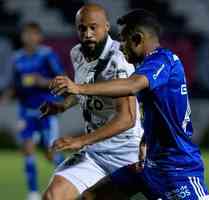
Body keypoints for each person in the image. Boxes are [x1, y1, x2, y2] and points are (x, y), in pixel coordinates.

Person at [51, 9, 209, 200]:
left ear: (137, 39)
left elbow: (132, 85)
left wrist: (78, 88)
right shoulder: (149, 66)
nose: (121, 47)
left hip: (177, 168)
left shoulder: (162, 60)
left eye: (124, 39)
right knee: (92, 196)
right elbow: (159, 112)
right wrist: (146, 139)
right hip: (150, 166)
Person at [41, 4, 144, 200]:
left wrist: (79, 140)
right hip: (95, 152)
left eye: (93, 27)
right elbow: (85, 89)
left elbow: (127, 119)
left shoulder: (119, 59)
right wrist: (62, 106)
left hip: (127, 154)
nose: (87, 33)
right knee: (53, 196)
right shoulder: (76, 53)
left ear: (106, 27)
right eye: (82, 28)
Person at [3, 22, 65, 200]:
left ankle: (70, 176)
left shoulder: (47, 55)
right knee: (27, 149)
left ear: (39, 36)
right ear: (22, 37)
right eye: (26, 34)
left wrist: (42, 81)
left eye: (33, 34)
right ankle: (32, 193)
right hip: (26, 111)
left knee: (50, 152)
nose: (29, 38)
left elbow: (61, 79)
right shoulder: (17, 57)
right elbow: (14, 85)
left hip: (46, 110)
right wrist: (6, 96)